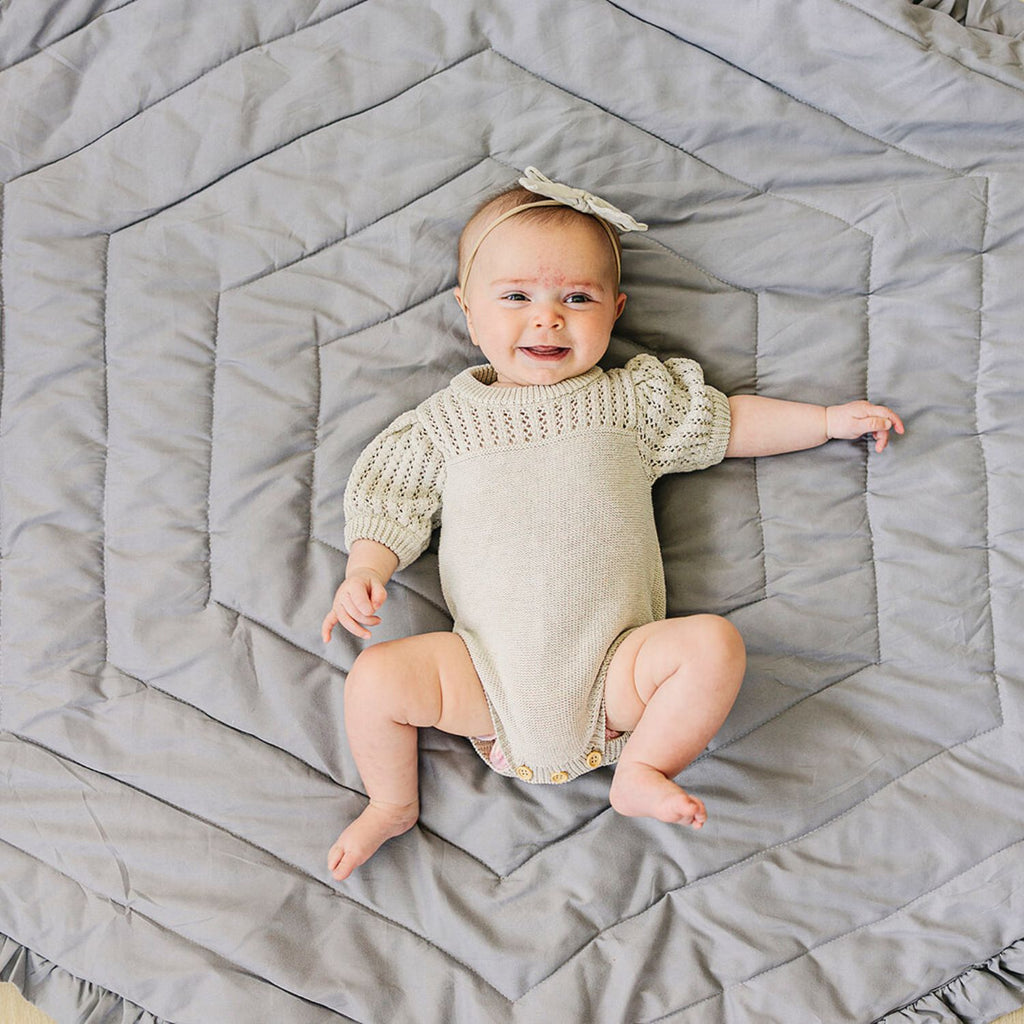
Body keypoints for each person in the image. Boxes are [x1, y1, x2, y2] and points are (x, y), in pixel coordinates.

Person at [321, 167, 904, 882]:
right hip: (484, 679)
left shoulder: (631, 403)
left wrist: (822, 422)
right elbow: (391, 498)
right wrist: (367, 569)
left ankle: (646, 767)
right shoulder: (444, 425)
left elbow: (725, 421)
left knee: (712, 644)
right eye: (515, 298)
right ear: (467, 312)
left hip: (614, 675)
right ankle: (390, 802)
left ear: (616, 310)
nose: (547, 318)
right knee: (377, 677)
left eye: (577, 297)